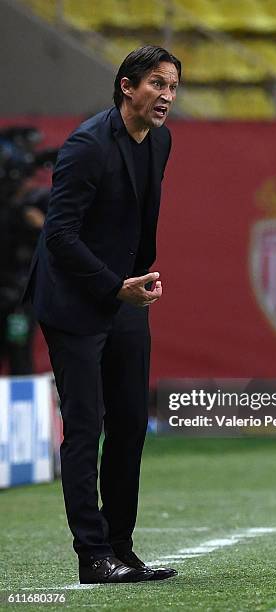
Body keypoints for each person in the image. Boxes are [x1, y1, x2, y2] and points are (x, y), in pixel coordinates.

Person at [22, 45, 181, 584]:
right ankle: (92, 556)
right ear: (126, 87)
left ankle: (120, 545)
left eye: (173, 87)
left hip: (123, 295)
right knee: (85, 427)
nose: (167, 96)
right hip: (74, 300)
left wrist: (128, 284)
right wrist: (115, 286)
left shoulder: (160, 141)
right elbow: (59, 235)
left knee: (132, 422)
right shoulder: (87, 146)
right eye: (157, 84)